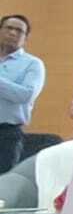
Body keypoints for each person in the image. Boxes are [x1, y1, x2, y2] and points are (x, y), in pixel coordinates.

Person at [0, 14, 45, 172]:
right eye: (9, 28)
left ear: (25, 38)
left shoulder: (32, 64)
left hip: (7, 134)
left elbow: (26, 95)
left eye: (19, 31)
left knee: (3, 180)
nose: (13, 33)